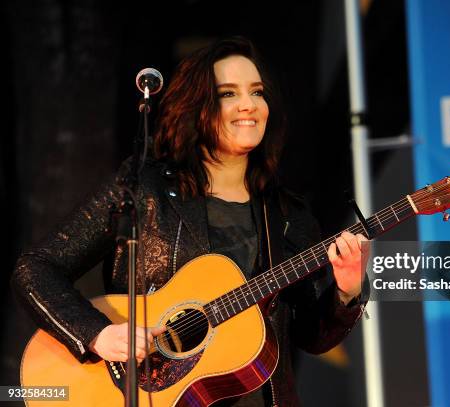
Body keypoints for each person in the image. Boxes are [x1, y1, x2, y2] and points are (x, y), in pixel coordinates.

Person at [12, 36, 368, 406]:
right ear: (197, 107)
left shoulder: (288, 215)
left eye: (257, 92)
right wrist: (98, 334)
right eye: (228, 94)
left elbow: (311, 335)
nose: (249, 105)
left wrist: (345, 292)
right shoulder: (144, 189)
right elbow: (35, 268)